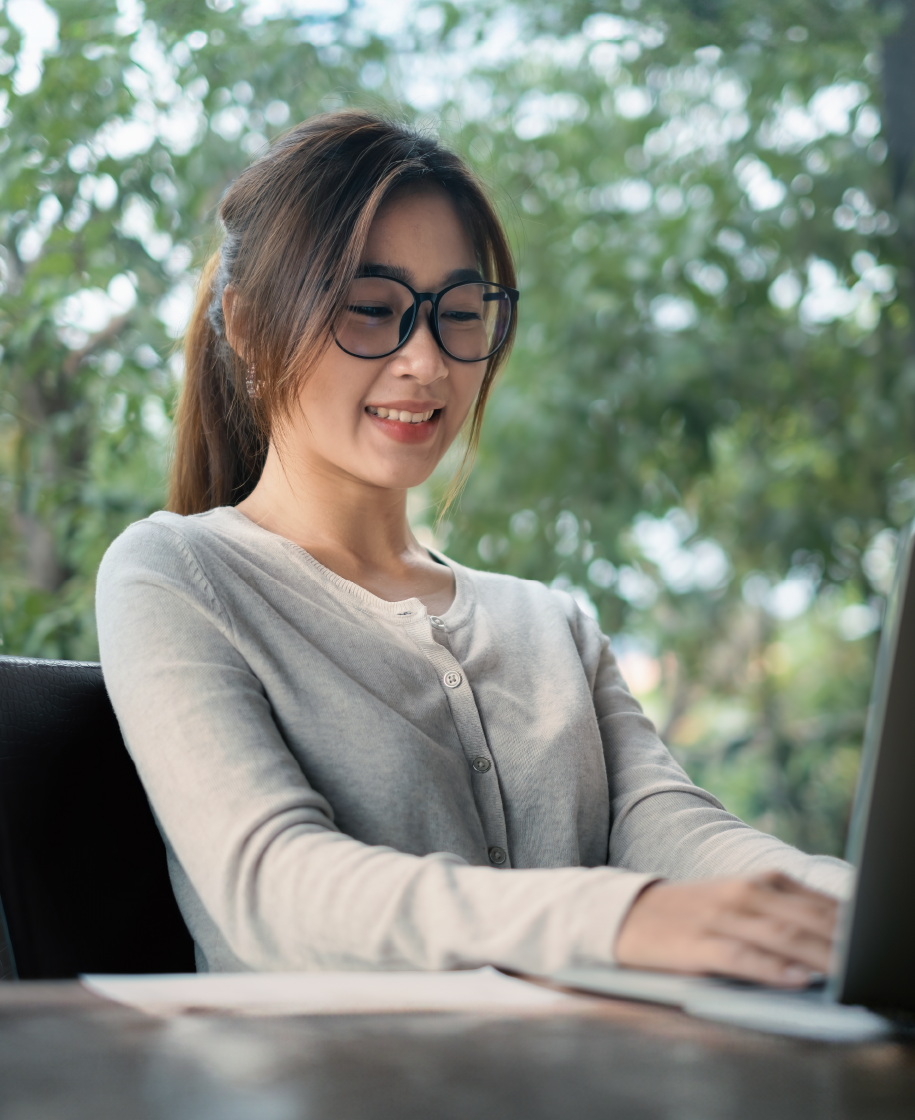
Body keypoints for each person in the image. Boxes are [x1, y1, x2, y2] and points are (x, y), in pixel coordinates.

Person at [97, 111, 843, 985]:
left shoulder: (549, 622)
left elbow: (670, 829)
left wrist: (863, 905)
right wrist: (622, 918)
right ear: (252, 330)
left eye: (459, 314)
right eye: (373, 312)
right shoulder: (176, 575)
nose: (426, 360)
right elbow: (275, 888)